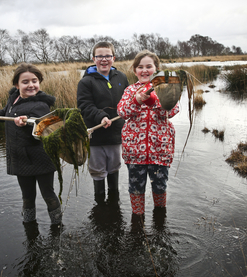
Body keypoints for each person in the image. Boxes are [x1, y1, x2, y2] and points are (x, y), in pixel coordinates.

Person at [0, 63, 61, 226]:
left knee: (48, 193)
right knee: (27, 196)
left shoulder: (41, 105)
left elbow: (44, 127)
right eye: (25, 82)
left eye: (34, 81)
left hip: (41, 157)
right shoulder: (14, 97)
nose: (31, 85)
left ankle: (57, 225)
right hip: (20, 157)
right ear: (17, 84)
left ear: (39, 82)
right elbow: (4, 113)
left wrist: (27, 123)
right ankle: (29, 225)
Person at [117, 50, 180, 218]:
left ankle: (160, 216)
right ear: (134, 70)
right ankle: (138, 218)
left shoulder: (165, 88)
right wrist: (136, 101)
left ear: (156, 68)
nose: (144, 71)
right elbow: (122, 111)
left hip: (159, 149)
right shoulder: (130, 90)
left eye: (148, 66)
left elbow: (172, 110)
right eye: (140, 67)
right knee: (136, 187)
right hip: (134, 151)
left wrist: (154, 101)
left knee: (160, 185)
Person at [77, 41, 129, 204]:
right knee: (98, 171)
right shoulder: (86, 82)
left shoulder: (121, 77)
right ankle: (99, 205)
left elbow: (127, 100)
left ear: (113, 58)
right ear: (94, 58)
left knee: (114, 168)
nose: (104, 59)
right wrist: (101, 116)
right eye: (100, 56)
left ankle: (114, 205)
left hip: (115, 133)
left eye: (107, 56)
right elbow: (84, 106)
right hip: (96, 134)